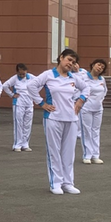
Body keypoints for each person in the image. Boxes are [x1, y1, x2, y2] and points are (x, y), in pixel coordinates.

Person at [27, 49, 85, 195]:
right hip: (53, 118)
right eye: (69, 60)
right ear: (61, 58)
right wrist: (41, 103)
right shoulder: (48, 75)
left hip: (71, 118)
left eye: (73, 62)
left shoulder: (73, 78)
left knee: (68, 153)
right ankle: (56, 183)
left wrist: (81, 100)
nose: (70, 63)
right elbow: (31, 86)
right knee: (54, 152)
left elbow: (86, 88)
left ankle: (68, 183)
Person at [78, 58, 108, 165]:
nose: (100, 68)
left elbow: (104, 91)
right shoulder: (83, 77)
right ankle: (87, 155)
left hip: (98, 109)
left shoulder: (102, 79)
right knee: (86, 131)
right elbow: (77, 89)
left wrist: (100, 101)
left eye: (102, 67)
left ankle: (96, 155)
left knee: (96, 131)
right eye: (99, 65)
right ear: (93, 65)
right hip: (86, 108)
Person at [2, 63, 34, 152]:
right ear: (17, 72)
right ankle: (17, 144)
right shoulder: (14, 78)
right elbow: (5, 86)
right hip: (19, 103)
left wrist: (34, 94)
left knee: (27, 124)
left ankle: (25, 144)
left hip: (29, 103)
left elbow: (39, 84)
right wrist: (12, 94)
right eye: (20, 74)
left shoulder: (31, 77)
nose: (22, 75)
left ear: (26, 71)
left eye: (23, 74)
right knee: (19, 123)